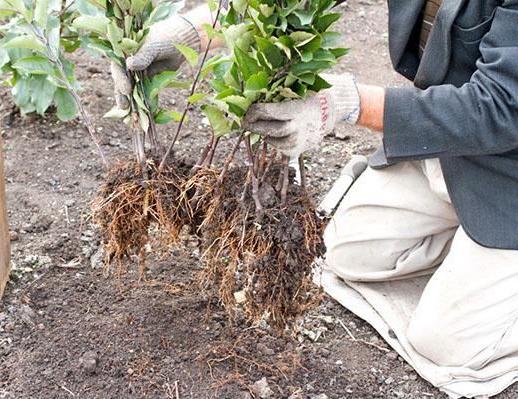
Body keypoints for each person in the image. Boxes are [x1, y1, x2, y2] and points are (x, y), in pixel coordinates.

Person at [113, 0, 518, 395]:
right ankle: (473, 256)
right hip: (453, 148)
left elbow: (502, 106)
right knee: (348, 254)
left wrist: (346, 102)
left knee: (449, 346)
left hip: (509, 166)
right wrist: (189, 32)